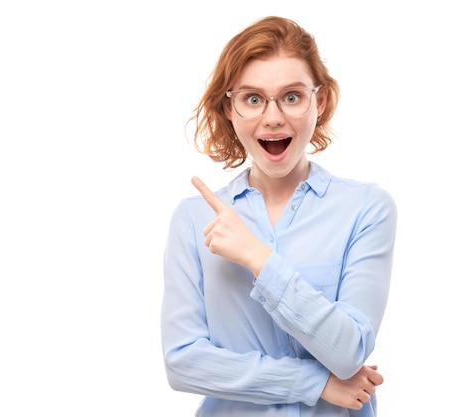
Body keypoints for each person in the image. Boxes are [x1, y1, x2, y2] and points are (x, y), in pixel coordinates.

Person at [161, 16, 397, 416]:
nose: (272, 117)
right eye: (253, 99)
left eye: (291, 96)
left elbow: (349, 351)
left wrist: (258, 258)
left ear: (318, 102)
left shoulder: (366, 208)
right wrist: (315, 383)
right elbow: (183, 362)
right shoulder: (192, 217)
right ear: (230, 108)